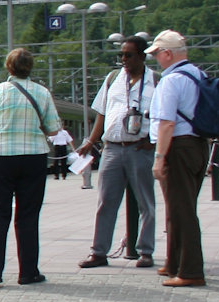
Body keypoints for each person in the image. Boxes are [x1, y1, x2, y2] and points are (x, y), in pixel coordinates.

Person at [0, 48, 61, 288]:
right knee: (28, 217)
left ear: (8, 67)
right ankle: (29, 272)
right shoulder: (42, 93)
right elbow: (53, 129)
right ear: (30, 68)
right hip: (33, 157)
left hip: (0, 157)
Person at [77, 35, 159, 269]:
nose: (123, 59)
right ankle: (99, 252)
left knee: (146, 203)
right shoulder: (113, 78)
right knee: (106, 202)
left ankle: (145, 251)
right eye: (121, 54)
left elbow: (163, 115)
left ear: (142, 57)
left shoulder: (156, 81)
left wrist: (153, 142)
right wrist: (91, 141)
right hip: (112, 148)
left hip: (140, 148)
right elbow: (102, 112)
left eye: (128, 55)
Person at [148, 31, 209, 288]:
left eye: (156, 54)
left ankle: (191, 270)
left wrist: (159, 158)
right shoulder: (199, 75)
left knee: (182, 212)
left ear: (168, 53)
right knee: (179, 208)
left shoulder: (171, 80)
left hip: (178, 148)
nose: (155, 59)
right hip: (198, 146)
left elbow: (166, 123)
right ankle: (174, 263)